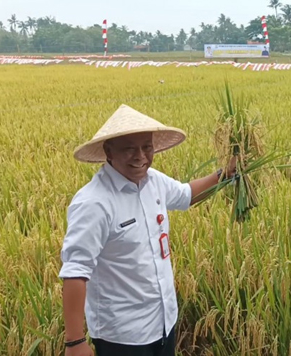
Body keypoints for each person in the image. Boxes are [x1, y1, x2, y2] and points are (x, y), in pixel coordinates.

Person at [59, 104, 236, 356]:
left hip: (163, 321)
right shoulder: (94, 202)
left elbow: (186, 194)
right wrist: (75, 342)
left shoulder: (154, 181)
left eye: (147, 147)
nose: (140, 156)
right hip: (123, 335)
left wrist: (225, 174)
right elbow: (76, 270)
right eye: (129, 148)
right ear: (108, 150)